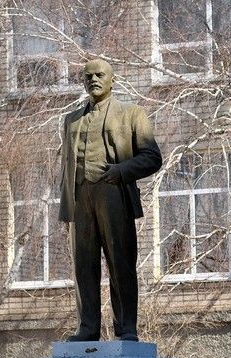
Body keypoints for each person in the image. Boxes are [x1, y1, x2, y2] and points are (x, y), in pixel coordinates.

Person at [59, 59, 162, 342]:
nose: (94, 79)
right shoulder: (70, 120)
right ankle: (88, 328)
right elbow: (67, 166)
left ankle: (126, 328)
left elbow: (152, 157)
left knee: (121, 262)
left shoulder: (132, 113)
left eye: (100, 74)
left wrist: (121, 171)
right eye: (88, 76)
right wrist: (66, 205)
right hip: (81, 198)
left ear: (112, 80)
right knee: (83, 265)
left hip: (114, 192)